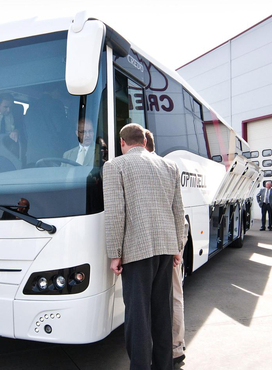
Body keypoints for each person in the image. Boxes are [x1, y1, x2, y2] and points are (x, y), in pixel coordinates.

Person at [104, 123, 185, 370]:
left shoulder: (115, 165)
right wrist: (177, 248)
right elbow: (177, 211)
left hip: (136, 252)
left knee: (138, 317)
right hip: (165, 249)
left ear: (122, 143)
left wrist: (114, 253)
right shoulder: (169, 166)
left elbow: (116, 213)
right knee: (162, 313)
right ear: (143, 140)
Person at [143, 129, 187, 366]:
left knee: (172, 294)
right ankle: (171, 346)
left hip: (168, 238)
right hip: (170, 236)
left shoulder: (157, 166)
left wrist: (177, 247)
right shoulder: (165, 166)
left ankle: (174, 347)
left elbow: (176, 212)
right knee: (170, 295)